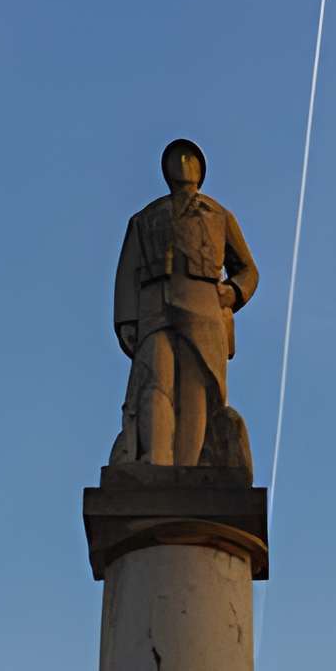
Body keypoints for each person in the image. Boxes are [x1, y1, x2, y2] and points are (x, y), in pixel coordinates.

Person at [111, 139, 259, 469]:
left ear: (201, 169)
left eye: (190, 158)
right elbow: (127, 271)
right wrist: (126, 320)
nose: (183, 163)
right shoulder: (145, 218)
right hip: (154, 305)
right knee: (154, 378)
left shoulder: (218, 215)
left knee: (198, 385)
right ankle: (156, 460)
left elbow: (247, 268)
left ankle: (191, 466)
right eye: (176, 158)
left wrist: (233, 292)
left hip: (202, 302)